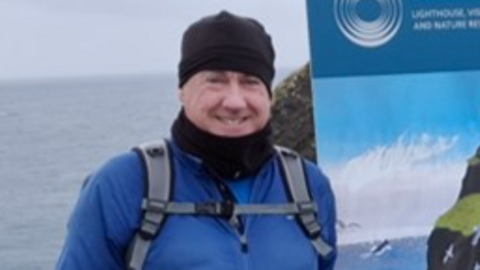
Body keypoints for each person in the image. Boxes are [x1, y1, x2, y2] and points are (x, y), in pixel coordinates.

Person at [55, 10, 337, 270]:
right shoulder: (121, 184)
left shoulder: (309, 186)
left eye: (250, 82)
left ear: (269, 95)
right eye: (215, 81)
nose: (235, 101)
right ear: (182, 90)